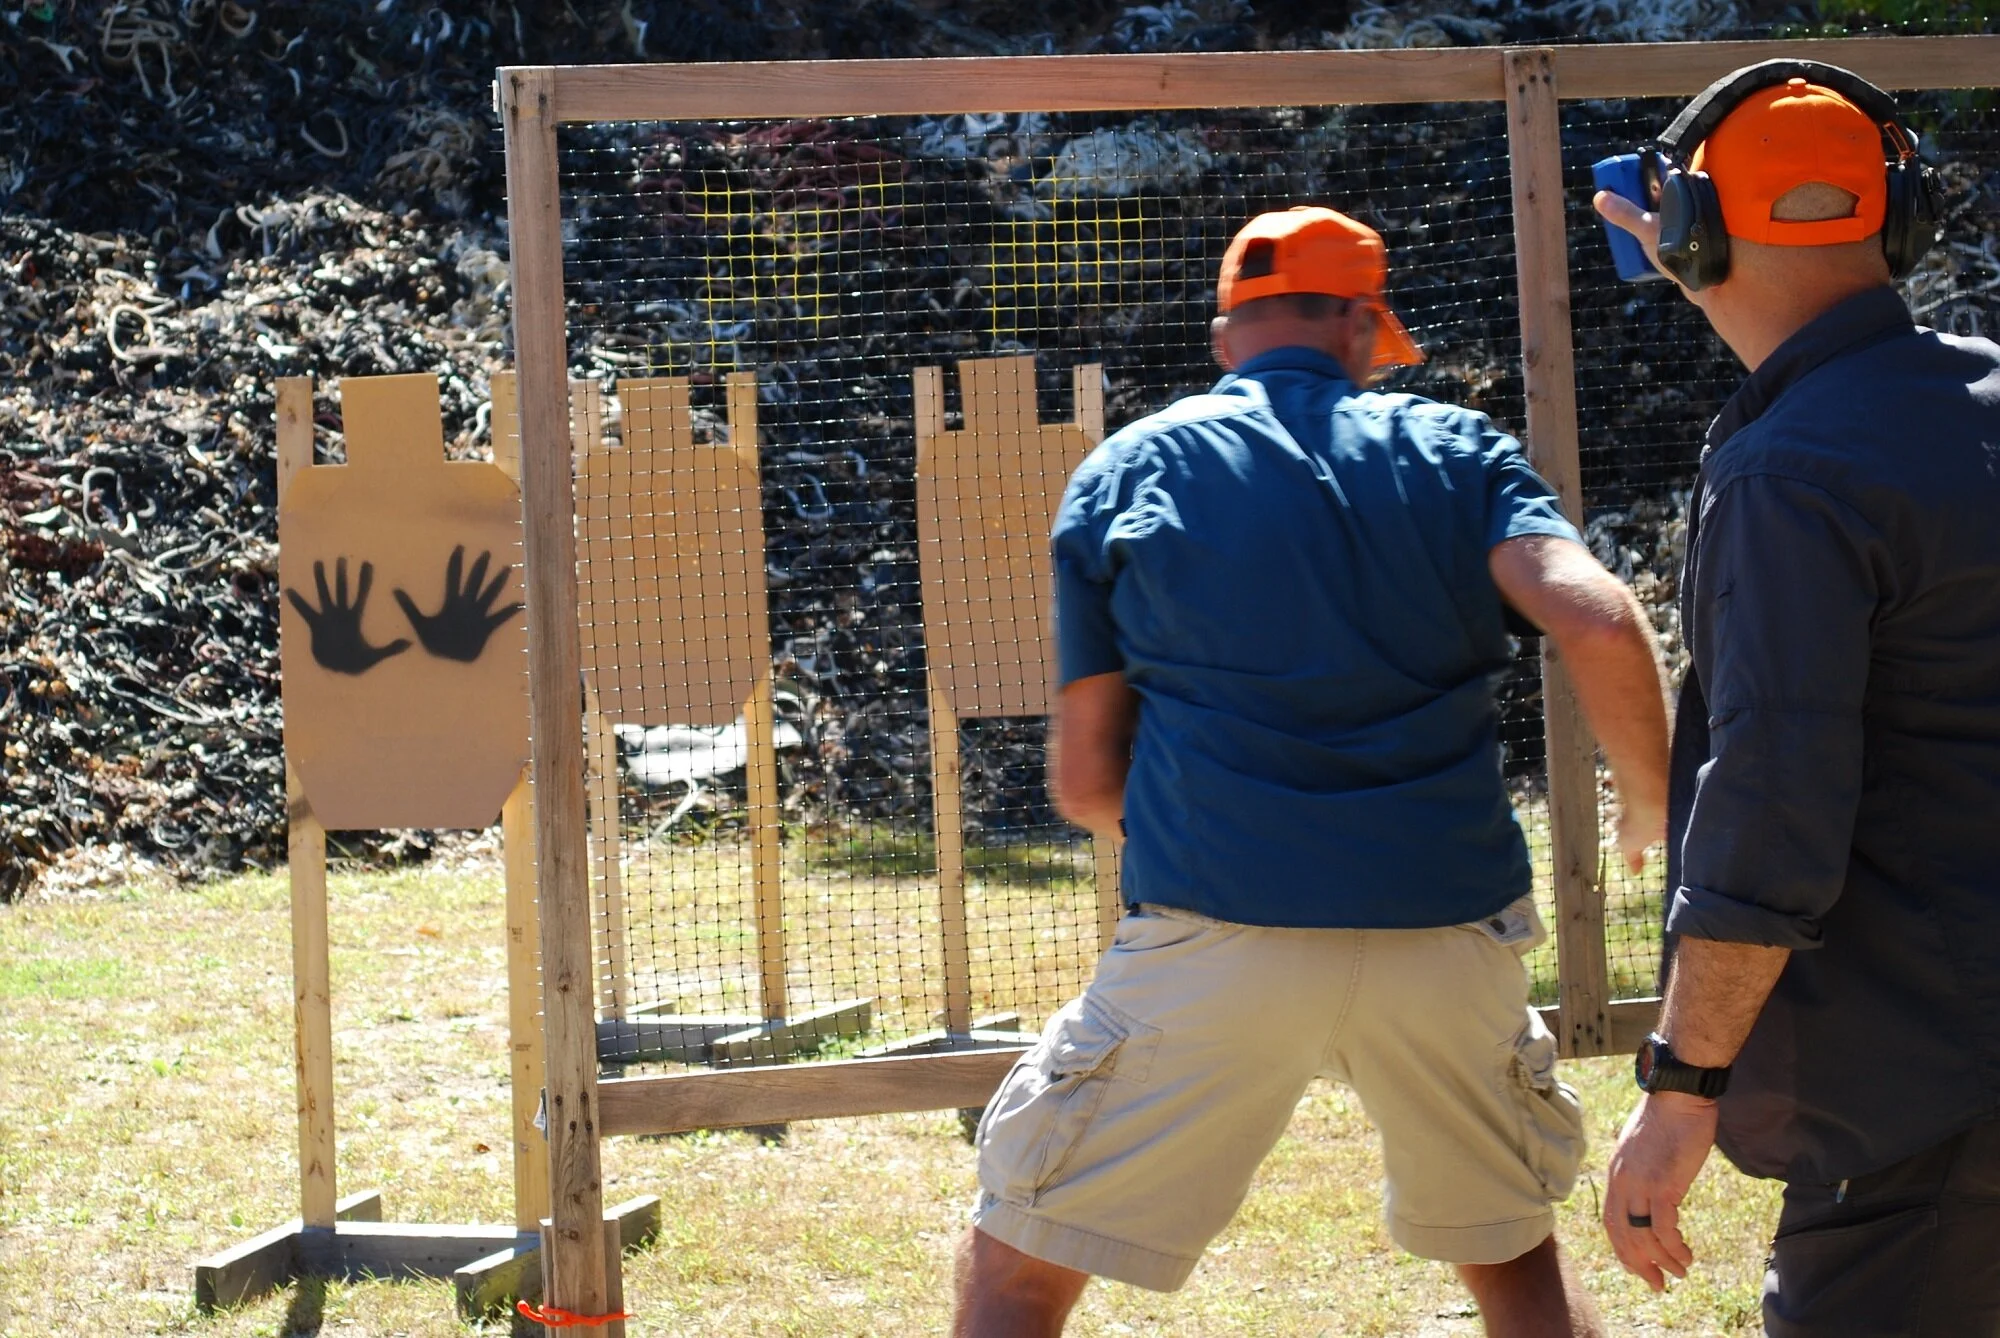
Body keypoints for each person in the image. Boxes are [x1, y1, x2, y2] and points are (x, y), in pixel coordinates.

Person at [951, 205, 1672, 1338]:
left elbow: (1087, 778)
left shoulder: (1127, 467)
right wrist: (1649, 795)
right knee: (1511, 1256)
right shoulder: (1457, 452)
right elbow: (1590, 615)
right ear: (1358, 325)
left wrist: (1217, 841)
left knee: (1021, 1272)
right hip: (1447, 928)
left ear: (1224, 335)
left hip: (1216, 922)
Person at [1593, 61, 2000, 1335]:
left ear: (1690, 230)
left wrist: (1679, 1090)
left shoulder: (1792, 471)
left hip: (1929, 1097)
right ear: (1905, 218)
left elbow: (1771, 810)